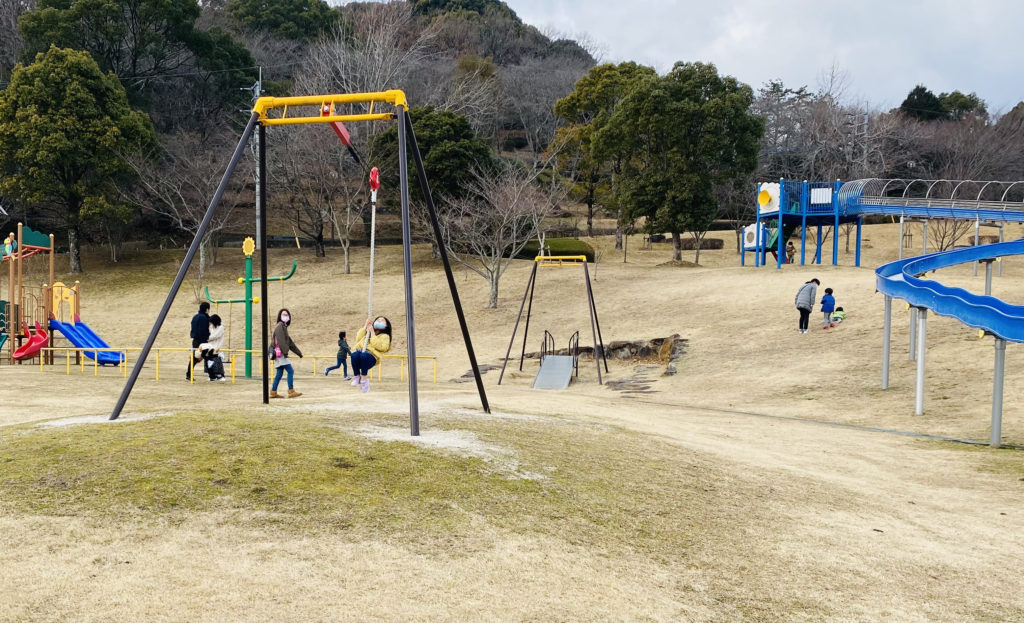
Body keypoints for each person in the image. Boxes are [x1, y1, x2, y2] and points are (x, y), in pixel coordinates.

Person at [350, 316, 392, 393]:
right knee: (354, 355)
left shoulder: (385, 336)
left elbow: (380, 346)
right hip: (361, 355)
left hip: (371, 358)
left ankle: (364, 379)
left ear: (386, 325)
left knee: (364, 355)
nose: (379, 321)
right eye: (377, 320)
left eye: (382, 320)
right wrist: (365, 326)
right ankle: (356, 376)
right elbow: (358, 339)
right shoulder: (367, 333)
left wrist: (372, 333)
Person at [270, 308, 303, 399]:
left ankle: (273, 392)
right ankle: (291, 391)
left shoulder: (282, 326)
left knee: (279, 374)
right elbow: (281, 341)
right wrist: (285, 352)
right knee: (290, 371)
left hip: (278, 354)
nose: (286, 316)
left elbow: (290, 342)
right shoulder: (280, 326)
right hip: (281, 353)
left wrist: (298, 353)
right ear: (280, 316)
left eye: (287, 315)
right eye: (284, 314)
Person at [198, 314, 226, 381]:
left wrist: (206, 338)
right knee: (209, 360)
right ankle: (212, 376)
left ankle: (221, 376)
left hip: (216, 346)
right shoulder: (212, 326)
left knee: (216, 361)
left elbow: (215, 336)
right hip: (210, 345)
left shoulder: (221, 328)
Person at [187, 302, 211, 380]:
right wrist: (205, 341)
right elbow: (203, 330)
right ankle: (212, 375)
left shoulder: (195, 317)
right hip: (202, 341)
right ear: (207, 309)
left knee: (195, 358)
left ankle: (189, 374)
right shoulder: (203, 318)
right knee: (203, 356)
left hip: (195, 340)